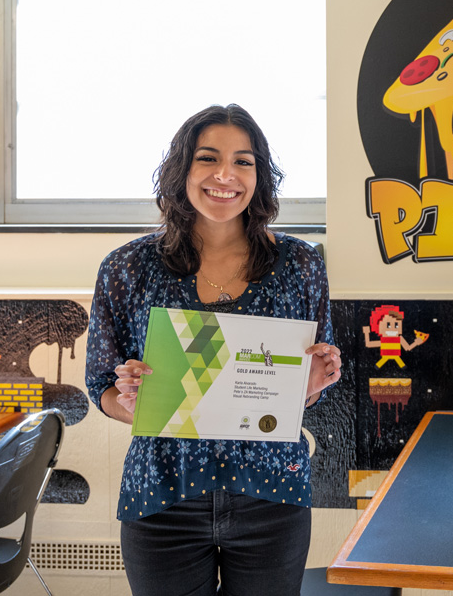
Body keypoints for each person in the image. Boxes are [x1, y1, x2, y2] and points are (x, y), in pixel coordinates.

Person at [85, 104, 341, 596]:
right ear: (182, 169)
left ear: (260, 176)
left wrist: (309, 388)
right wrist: (128, 401)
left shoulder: (302, 265)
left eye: (243, 161)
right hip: (162, 495)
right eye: (208, 158)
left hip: (272, 497)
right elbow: (101, 385)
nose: (225, 175)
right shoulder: (126, 268)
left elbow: (307, 392)